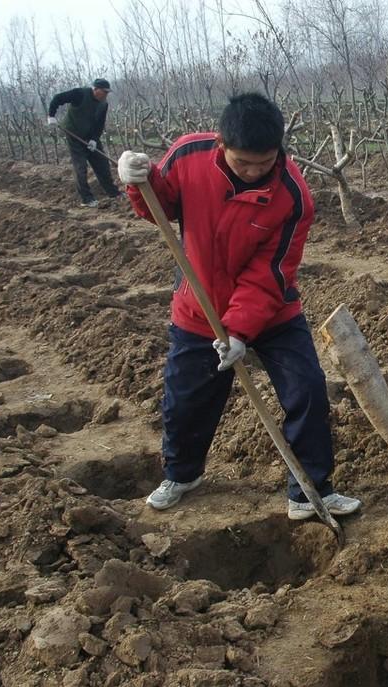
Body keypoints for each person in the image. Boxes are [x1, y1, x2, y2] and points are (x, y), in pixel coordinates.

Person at [114, 93, 361, 522]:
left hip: (272, 313)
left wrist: (239, 333)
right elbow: (163, 206)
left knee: (306, 390)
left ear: (279, 151)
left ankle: (310, 489)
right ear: (220, 144)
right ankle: (182, 474)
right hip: (198, 305)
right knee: (185, 398)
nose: (253, 171)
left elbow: (270, 272)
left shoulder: (293, 196)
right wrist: (142, 180)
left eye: (263, 163)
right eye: (242, 162)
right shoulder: (188, 154)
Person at [47, 78, 121, 208]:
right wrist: (51, 116)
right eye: (104, 92)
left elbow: (100, 124)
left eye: (107, 92)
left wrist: (94, 139)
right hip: (74, 135)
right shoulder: (80, 94)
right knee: (81, 167)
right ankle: (87, 199)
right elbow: (58, 98)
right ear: (95, 89)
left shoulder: (104, 104)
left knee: (102, 164)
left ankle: (113, 193)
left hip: (90, 136)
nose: (105, 95)